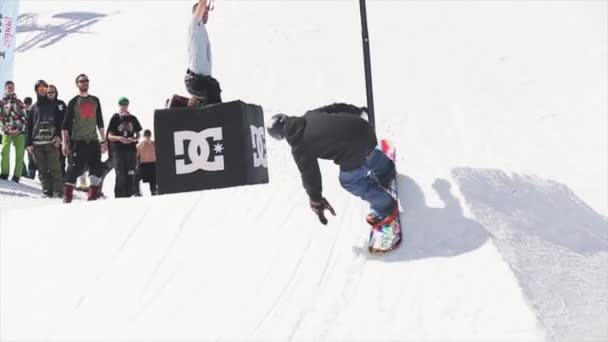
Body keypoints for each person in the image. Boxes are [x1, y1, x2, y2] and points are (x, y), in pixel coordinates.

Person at [266, 103, 397, 226]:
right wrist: (357, 111)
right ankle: (386, 171)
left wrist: (316, 199)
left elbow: (310, 175)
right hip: (364, 129)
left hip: (353, 151)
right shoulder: (310, 115)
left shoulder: (299, 146)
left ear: (279, 137)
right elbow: (336, 108)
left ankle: (385, 207)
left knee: (349, 180)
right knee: (366, 151)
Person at [61, 74, 107, 203]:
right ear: (77, 84)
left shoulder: (95, 100)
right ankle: (67, 196)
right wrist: (64, 143)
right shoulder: (73, 102)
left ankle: (92, 196)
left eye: (86, 81)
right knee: (74, 169)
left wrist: (103, 140)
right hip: (78, 142)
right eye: (81, 81)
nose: (84, 83)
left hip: (93, 141)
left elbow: (100, 122)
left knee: (96, 169)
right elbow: (65, 125)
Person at [26, 80, 64, 197]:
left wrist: (59, 137)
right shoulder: (33, 108)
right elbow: (29, 126)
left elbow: (60, 123)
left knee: (55, 168)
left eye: (44, 88)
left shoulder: (54, 105)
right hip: (37, 142)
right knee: (42, 169)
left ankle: (58, 191)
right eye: (40, 88)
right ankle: (46, 190)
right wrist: (28, 144)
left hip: (51, 141)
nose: (42, 90)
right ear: (36, 90)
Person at [184, 0, 222, 106]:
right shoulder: (194, 25)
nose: (206, 14)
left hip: (203, 80)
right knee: (212, 89)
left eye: (207, 13)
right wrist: (204, 4)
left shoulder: (202, 30)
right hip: (195, 80)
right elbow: (202, 3)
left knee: (214, 86)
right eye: (203, 12)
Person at [107, 97, 142, 198]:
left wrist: (134, 139)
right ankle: (119, 196)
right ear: (119, 105)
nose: (124, 106)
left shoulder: (133, 118)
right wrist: (119, 138)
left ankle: (130, 194)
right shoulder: (115, 118)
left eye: (126, 104)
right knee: (120, 173)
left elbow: (139, 133)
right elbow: (109, 136)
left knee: (131, 173)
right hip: (118, 150)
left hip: (131, 150)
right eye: (122, 104)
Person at [0, 81, 27, 183]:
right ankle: (4, 173)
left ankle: (16, 176)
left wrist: (19, 129)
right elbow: (0, 118)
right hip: (7, 131)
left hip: (19, 131)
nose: (10, 89)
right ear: (5, 88)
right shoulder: (2, 103)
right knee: (5, 151)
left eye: (12, 87)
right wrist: (6, 129)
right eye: (8, 87)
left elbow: (24, 117)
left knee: (19, 154)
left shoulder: (19, 102)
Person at [47, 84, 67, 176]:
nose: (50, 94)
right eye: (48, 92)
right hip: (46, 136)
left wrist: (60, 136)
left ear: (56, 93)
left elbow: (65, 120)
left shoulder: (61, 104)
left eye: (52, 92)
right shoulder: (42, 105)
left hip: (59, 136)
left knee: (61, 159)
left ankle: (62, 179)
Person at [137, 129, 157, 195]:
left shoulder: (154, 144)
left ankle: (153, 190)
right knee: (136, 177)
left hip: (152, 163)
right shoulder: (140, 145)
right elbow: (136, 155)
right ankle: (137, 191)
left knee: (153, 178)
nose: (147, 138)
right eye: (146, 136)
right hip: (143, 164)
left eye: (148, 136)